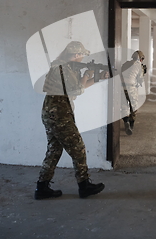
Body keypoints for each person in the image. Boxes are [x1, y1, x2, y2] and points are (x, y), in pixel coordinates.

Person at [35, 41, 108, 199]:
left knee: (54, 151)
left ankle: (42, 188)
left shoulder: (65, 68)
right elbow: (76, 90)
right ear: (76, 55)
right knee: (78, 148)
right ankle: (84, 186)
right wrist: (87, 75)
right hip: (58, 114)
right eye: (81, 55)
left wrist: (97, 78)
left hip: (54, 113)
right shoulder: (62, 68)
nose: (82, 59)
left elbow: (74, 92)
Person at [120, 50, 146, 135]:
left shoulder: (125, 64)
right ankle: (131, 124)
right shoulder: (139, 65)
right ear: (141, 59)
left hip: (121, 87)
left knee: (124, 106)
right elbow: (140, 80)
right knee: (133, 106)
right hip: (131, 87)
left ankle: (126, 121)